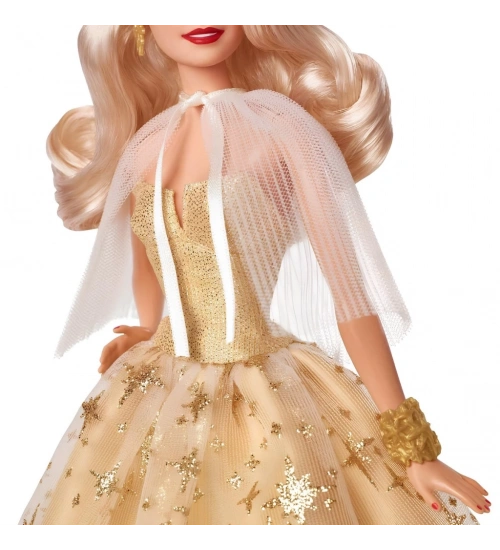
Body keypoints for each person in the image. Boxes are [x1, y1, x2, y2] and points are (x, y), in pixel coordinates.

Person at [18, 24, 489, 527]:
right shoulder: (145, 145)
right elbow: (149, 264)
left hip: (264, 391)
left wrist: (414, 447)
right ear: (140, 25)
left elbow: (349, 294)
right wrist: (147, 328)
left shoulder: (282, 128)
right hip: (158, 382)